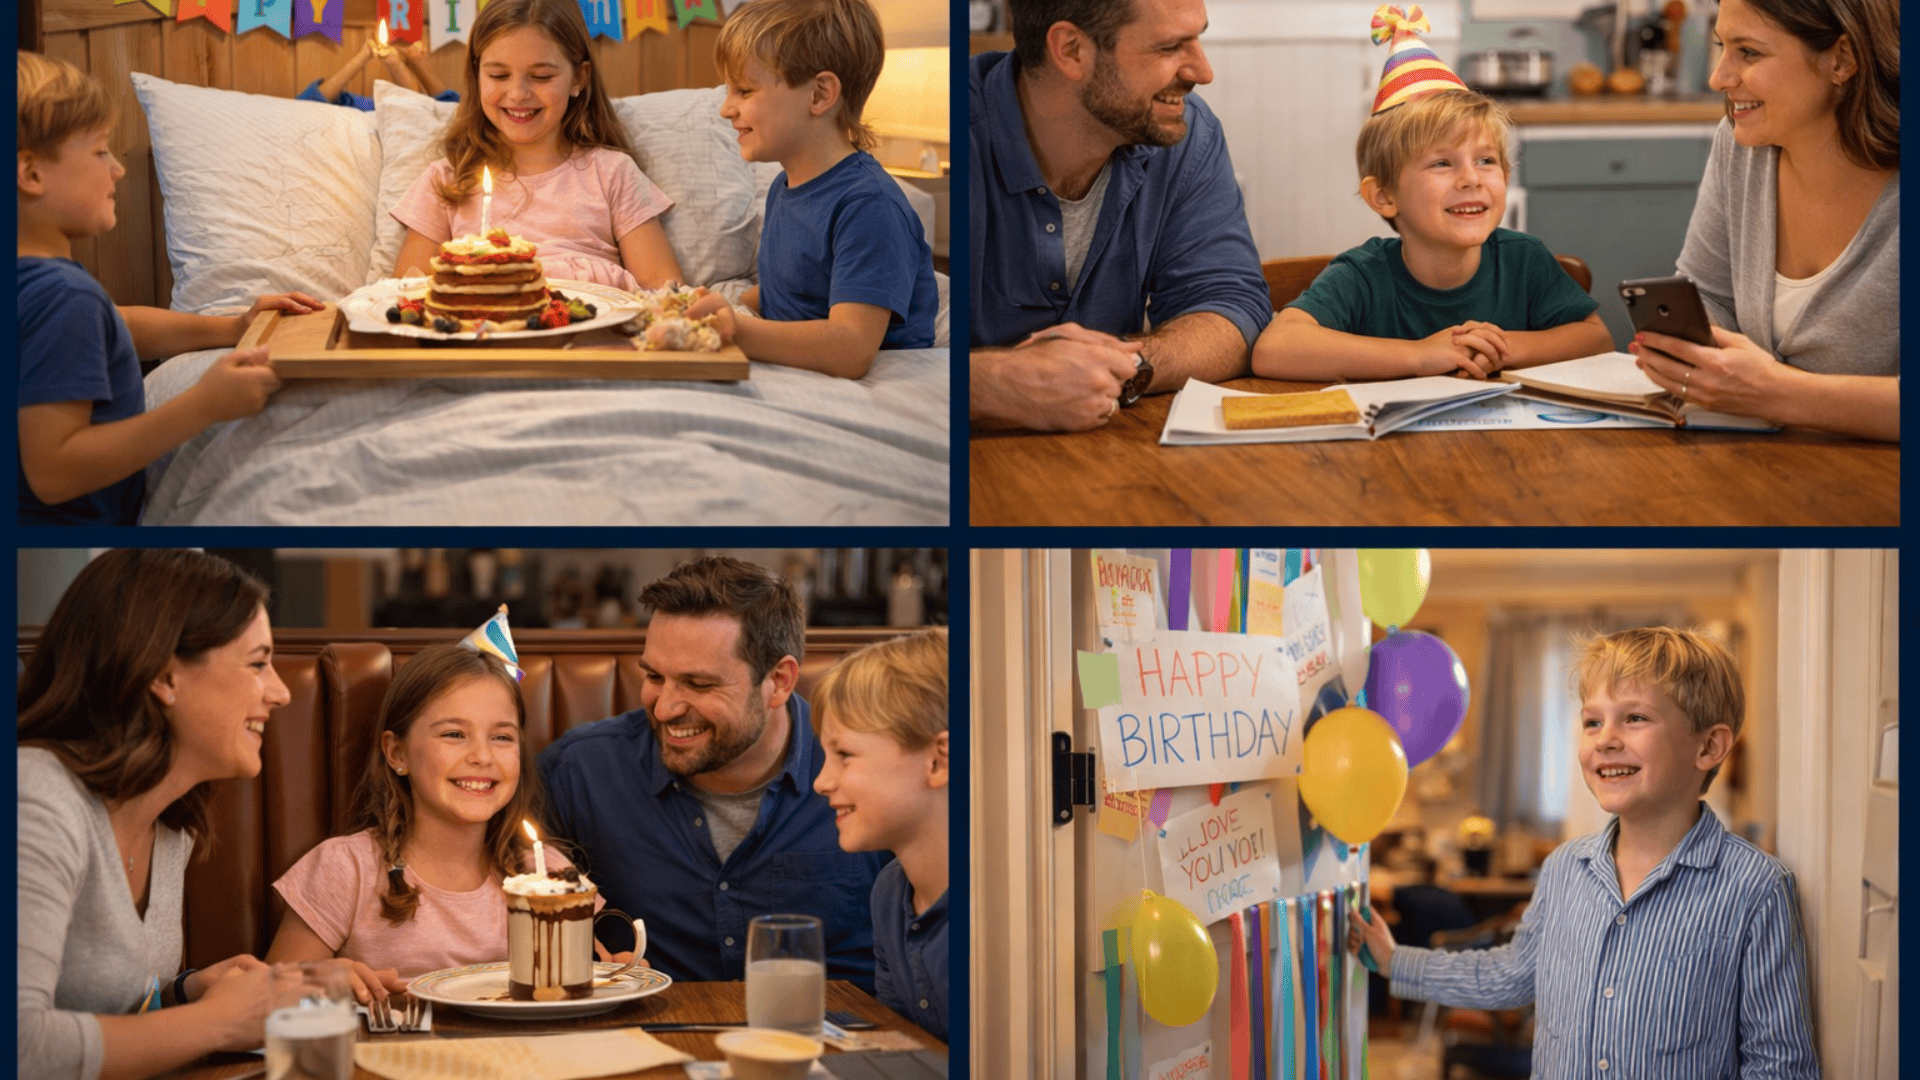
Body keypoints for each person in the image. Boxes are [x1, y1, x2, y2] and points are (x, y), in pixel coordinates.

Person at [1352, 627, 1818, 1076]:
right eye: (1592, 721)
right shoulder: (1563, 869)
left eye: (1634, 718)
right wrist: (1396, 960)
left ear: (1709, 746)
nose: (1605, 738)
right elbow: (1511, 972)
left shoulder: (1757, 889)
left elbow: (1777, 1063)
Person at [538, 556, 889, 990]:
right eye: (653, 675)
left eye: (699, 684)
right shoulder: (579, 772)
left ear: (779, 681)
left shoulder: (872, 772)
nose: (664, 708)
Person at [16, 51, 323, 526]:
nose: (116, 169)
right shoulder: (64, 297)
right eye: (100, 151)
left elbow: (118, 326)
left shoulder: (38, 287)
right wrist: (203, 404)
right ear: (31, 174)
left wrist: (234, 326)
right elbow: (54, 473)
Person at [18, 549, 290, 1080]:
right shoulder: (34, 795)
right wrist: (219, 1022)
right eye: (258, 663)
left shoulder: (172, 822)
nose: (279, 692)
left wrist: (186, 993)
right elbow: (19, 1047)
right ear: (165, 677)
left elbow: (103, 1012)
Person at [1251, 7, 1611, 381]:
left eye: (1486, 160)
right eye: (1441, 164)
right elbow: (1273, 349)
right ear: (1384, 196)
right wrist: (1421, 355)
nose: (1471, 179)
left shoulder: (1524, 261)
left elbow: (1595, 337)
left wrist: (1503, 349)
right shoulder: (1363, 276)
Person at [968, 0, 1272, 432]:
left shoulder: (1187, 134)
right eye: (1169, 47)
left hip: (1111, 465)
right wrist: (991, 384)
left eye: (1197, 38)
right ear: (1071, 50)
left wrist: (1128, 363)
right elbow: (896, 348)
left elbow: (1231, 309)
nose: (1203, 72)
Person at [265, 645, 600, 1001]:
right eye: (454, 734)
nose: (482, 757)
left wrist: (617, 973)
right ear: (397, 753)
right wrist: (322, 982)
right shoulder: (345, 868)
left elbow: (592, 978)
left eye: (502, 737)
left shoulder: (549, 872)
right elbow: (267, 1001)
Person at [1633, 0, 1898, 441]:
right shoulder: (1742, 146)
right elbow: (1710, 295)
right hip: (1766, 471)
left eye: (1749, 52)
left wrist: (1775, 393)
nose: (1718, 78)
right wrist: (1698, 354)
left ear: (1842, 58)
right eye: (1722, 46)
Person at [685, 0, 938, 379]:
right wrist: (723, 304)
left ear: (819, 95)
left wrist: (737, 329)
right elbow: (794, 293)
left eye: (743, 90)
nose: (725, 109)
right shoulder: (783, 186)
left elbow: (851, 349)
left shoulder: (869, 205)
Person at [389, 0, 684, 291]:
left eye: (541, 76)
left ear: (579, 78)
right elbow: (407, 291)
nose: (517, 94)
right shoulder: (447, 181)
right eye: (498, 76)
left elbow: (661, 287)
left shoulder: (612, 172)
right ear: (477, 76)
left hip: (595, 332)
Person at [811, 628, 949, 1041]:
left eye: (845, 755)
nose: (821, 781)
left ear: (938, 762)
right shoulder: (889, 892)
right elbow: (902, 1045)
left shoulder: (1003, 914)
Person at [299, 37, 457, 110]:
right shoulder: (355, 106)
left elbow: (445, 109)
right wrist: (363, 57)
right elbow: (308, 103)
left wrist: (405, 64)